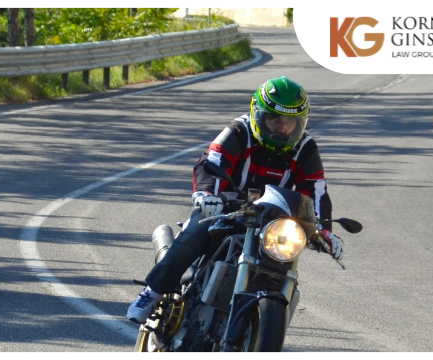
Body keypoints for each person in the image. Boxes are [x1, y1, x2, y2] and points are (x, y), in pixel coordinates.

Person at [126, 76, 345, 323]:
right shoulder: (239, 131)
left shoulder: (305, 147)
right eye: (273, 119)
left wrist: (324, 229)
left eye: (289, 123)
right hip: (225, 208)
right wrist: (207, 195)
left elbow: (315, 189)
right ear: (257, 114)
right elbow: (212, 161)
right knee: (196, 232)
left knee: (286, 257)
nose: (281, 128)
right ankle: (152, 292)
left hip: (273, 218)